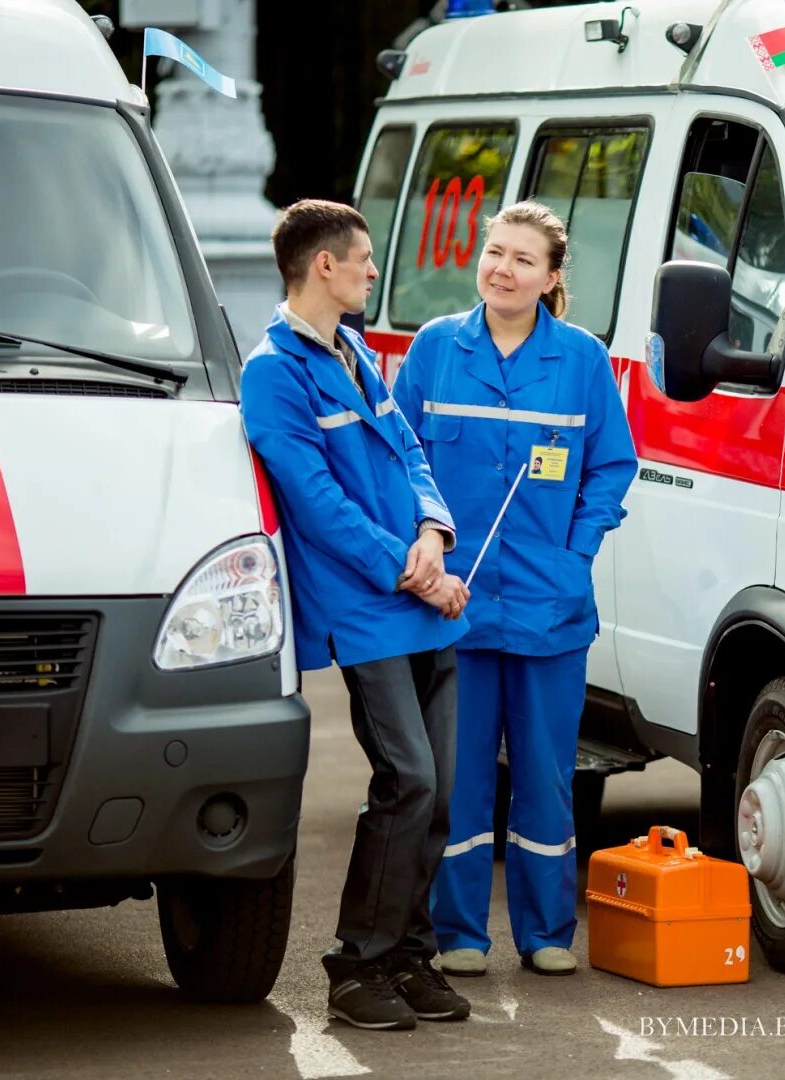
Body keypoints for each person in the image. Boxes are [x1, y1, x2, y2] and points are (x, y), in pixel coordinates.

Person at [240, 199, 474, 1031]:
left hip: (420, 592)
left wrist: (434, 532)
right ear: (323, 267)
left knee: (440, 791)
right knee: (406, 779)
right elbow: (317, 504)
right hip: (367, 611)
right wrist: (411, 572)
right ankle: (357, 967)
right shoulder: (273, 372)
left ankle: (411, 957)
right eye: (365, 258)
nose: (376, 270)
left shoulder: (355, 353)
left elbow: (410, 450)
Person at [393, 201, 637, 977]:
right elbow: (399, 460)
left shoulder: (581, 361)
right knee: (459, 782)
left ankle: (546, 933)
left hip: (548, 609)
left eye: (523, 259)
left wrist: (575, 556)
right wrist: (423, 554)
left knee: (544, 777)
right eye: (495, 252)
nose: (503, 268)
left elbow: (611, 466)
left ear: (552, 277)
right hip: (451, 609)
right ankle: (460, 932)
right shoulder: (435, 349)